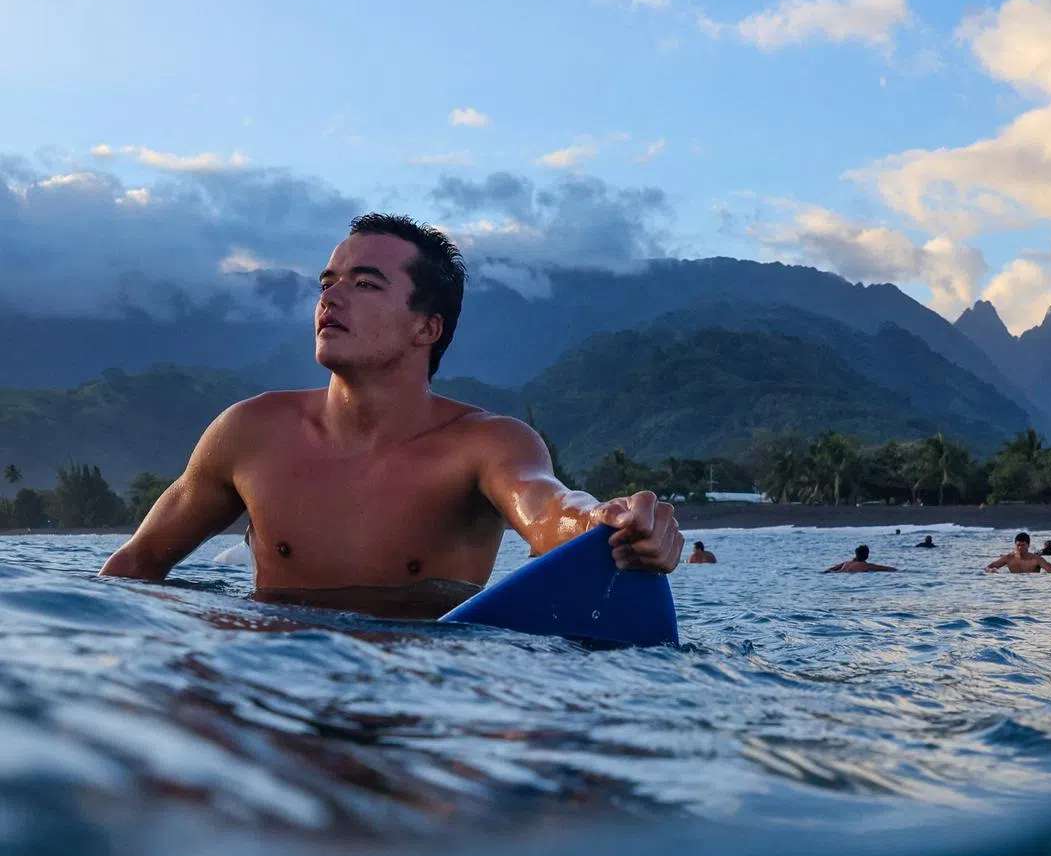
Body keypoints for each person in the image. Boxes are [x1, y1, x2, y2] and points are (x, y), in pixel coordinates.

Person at [101, 214, 682, 618]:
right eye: (328, 283)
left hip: (415, 694)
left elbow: (549, 509)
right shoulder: (249, 432)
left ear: (425, 328)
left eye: (365, 284)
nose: (331, 298)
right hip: (269, 683)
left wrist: (609, 522)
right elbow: (136, 564)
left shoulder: (485, 445)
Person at [985, 532, 1051, 574]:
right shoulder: (1008, 558)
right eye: (1018, 545)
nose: (1020, 547)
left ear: (1028, 545)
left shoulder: (1036, 559)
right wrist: (991, 571)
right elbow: (987, 568)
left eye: (1023, 545)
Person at [824, 544, 897, 573]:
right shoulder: (867, 566)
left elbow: (829, 570)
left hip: (838, 574)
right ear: (867, 556)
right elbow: (885, 568)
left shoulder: (846, 563)